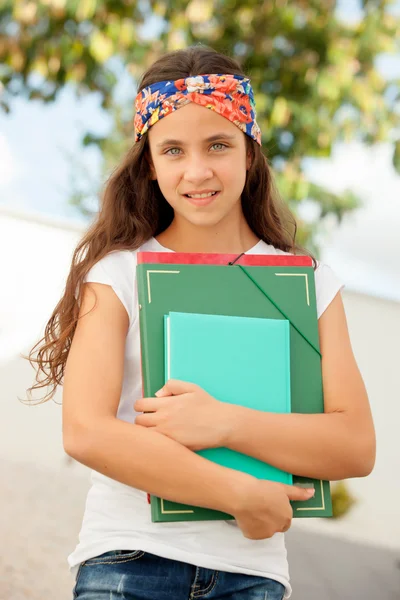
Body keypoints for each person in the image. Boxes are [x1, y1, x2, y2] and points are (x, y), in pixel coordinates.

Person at [27, 45, 376, 600]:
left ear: (250, 152)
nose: (197, 171)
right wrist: (238, 493)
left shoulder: (308, 283)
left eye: (218, 144)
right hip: (129, 562)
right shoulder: (117, 274)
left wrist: (223, 423)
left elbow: (354, 446)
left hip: (255, 576)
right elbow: (86, 431)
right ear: (149, 164)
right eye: (172, 150)